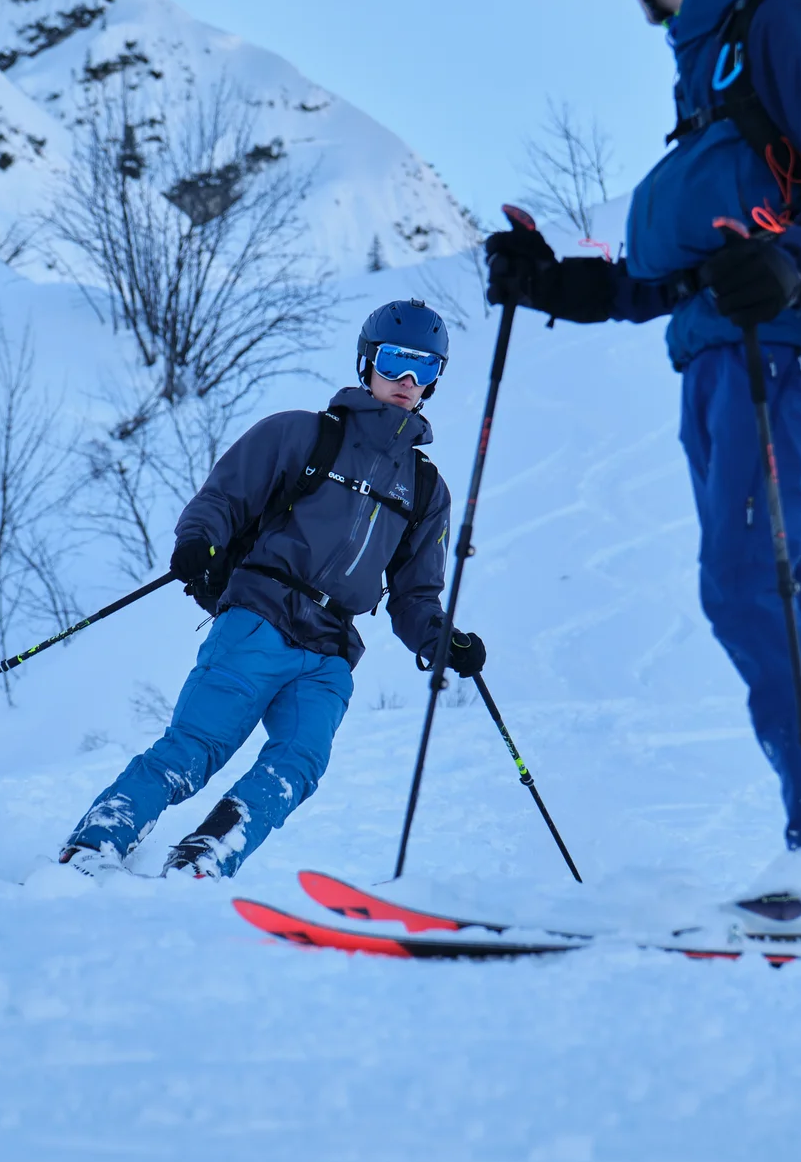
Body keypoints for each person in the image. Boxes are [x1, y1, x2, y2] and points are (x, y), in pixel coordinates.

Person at [485, 0, 801, 942]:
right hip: (721, 350)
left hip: (779, 346)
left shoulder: (770, 19)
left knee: (746, 583)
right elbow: (679, 266)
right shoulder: (715, 58)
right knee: (778, 589)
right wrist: (553, 281)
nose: (641, 5)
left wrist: (793, 264)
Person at [59, 299, 485, 879]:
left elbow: (414, 597)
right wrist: (199, 542)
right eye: (395, 363)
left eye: (425, 369)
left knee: (298, 764)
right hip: (260, 619)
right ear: (367, 363)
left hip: (331, 651)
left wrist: (439, 639)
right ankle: (96, 842)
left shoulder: (426, 488)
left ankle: (206, 855)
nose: (408, 382)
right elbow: (222, 499)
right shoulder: (303, 434)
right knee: (195, 749)